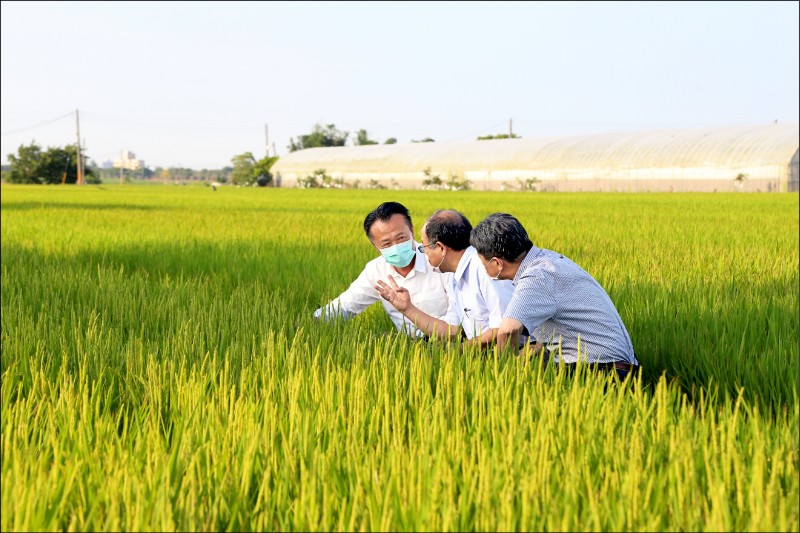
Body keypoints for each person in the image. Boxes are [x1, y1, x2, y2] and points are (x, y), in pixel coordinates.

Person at [469, 213, 640, 380]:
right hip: (611, 366)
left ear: (497, 263)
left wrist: (503, 374)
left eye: (483, 263)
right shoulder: (547, 260)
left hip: (601, 372)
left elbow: (508, 330)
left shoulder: (537, 277)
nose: (483, 269)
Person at [375, 209, 532, 348]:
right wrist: (407, 308)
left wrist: (462, 350)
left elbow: (504, 329)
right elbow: (452, 330)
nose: (424, 254)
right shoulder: (454, 277)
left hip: (519, 356)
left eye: (425, 247)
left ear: (441, 248)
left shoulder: (485, 268)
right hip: (486, 354)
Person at [313, 201, 451, 337]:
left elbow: (463, 319)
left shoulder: (441, 261)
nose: (396, 247)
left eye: (401, 238)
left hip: (450, 343)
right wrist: (308, 324)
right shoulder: (376, 271)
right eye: (387, 243)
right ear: (375, 246)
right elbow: (346, 305)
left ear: (412, 231)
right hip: (409, 346)